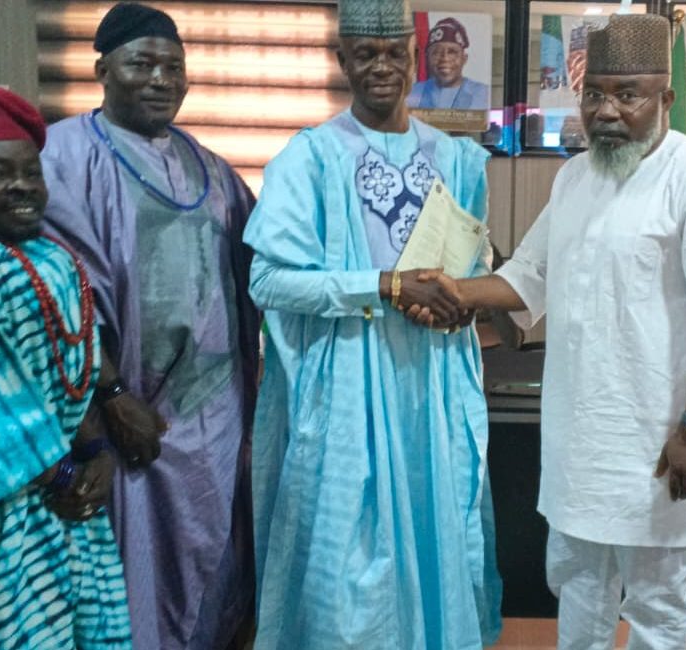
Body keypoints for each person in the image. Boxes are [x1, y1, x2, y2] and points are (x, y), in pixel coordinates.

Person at [418, 14, 686, 650]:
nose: (606, 110)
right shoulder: (576, 177)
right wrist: (455, 293)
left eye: (627, 94)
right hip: (580, 447)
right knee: (576, 592)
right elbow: (529, 275)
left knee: (656, 607)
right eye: (594, 93)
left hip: (661, 445)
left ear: (666, 97)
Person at [243, 0, 502, 647]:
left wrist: (461, 299)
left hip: (434, 388)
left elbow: (475, 264)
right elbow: (267, 281)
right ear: (343, 61)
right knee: (347, 578)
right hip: (350, 391)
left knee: (440, 532)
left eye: (393, 53)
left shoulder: (459, 160)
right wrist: (384, 285)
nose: (381, 67)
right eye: (365, 54)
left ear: (414, 59)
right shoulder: (310, 159)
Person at [38, 3, 260, 649]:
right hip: (120, 413)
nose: (161, 80)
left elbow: (262, 272)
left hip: (214, 412)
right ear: (103, 70)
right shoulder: (61, 157)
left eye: (173, 67)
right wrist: (110, 394)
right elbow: (53, 295)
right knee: (130, 568)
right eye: (142, 64)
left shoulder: (212, 169)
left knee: (214, 561)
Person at [0, 87, 132, 649]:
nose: (21, 186)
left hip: (59, 503)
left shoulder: (53, 259)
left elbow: (69, 376)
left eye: (31, 173)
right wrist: (61, 476)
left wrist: (95, 452)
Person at [407, 17, 490, 111]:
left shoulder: (484, 94)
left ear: (464, 58)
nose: (445, 58)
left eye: (452, 52)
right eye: (436, 52)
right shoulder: (410, 93)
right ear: (427, 58)